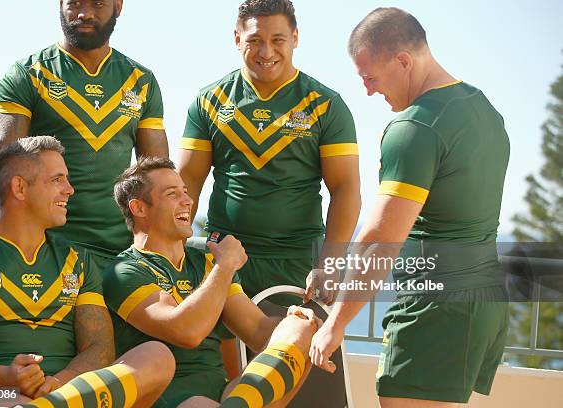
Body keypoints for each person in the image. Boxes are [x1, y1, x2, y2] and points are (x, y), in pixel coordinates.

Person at [308, 8, 510, 407]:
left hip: (436, 310)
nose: (368, 91)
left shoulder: (415, 128)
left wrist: (335, 322)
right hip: (481, 303)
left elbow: (380, 238)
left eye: (370, 77)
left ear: (403, 61)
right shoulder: (482, 108)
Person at [0, 137, 174, 407]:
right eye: (57, 180)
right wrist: (8, 377)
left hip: (67, 393)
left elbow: (100, 349)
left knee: (156, 356)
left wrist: (58, 384)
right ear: (20, 187)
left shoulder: (77, 260)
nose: (69, 190)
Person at [178, 0, 361, 302]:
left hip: (297, 262)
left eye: (278, 40)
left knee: (285, 348)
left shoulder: (326, 104)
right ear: (237, 38)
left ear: (295, 39)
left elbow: (346, 188)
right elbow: (187, 184)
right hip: (223, 255)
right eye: (254, 41)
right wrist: (170, 251)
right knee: (219, 349)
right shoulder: (209, 100)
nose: (266, 52)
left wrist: (330, 263)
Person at [103, 157, 322, 407]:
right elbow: (187, 332)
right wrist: (225, 266)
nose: (187, 201)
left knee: (300, 329)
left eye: (185, 192)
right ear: (139, 208)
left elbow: (258, 330)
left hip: (228, 396)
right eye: (172, 194)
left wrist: (296, 323)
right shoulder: (124, 271)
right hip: (169, 398)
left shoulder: (205, 261)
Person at [0, 0, 168, 273]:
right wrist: (4, 252)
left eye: (98, 4)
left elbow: (158, 177)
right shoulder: (27, 74)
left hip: (120, 256)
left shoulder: (142, 81)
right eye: (75, 3)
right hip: (44, 250)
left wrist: (156, 254)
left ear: (118, 5)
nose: (84, 13)